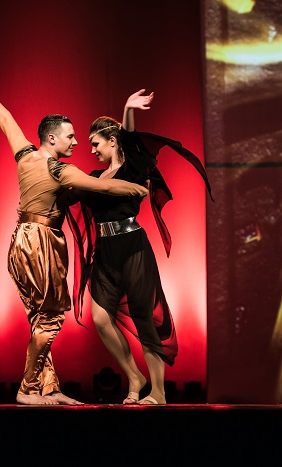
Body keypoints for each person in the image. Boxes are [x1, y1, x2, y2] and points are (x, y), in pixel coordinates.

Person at [0, 86, 149, 405]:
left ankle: (48, 387)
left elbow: (6, 120)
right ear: (52, 138)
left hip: (20, 240)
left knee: (39, 318)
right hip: (41, 243)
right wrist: (137, 190)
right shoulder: (61, 171)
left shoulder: (24, 154)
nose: (76, 142)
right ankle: (27, 390)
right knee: (50, 319)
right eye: (71, 137)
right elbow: (104, 186)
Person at [65, 89, 213, 405]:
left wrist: (127, 110)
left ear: (112, 141)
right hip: (105, 252)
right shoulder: (95, 176)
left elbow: (131, 141)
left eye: (96, 143)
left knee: (144, 317)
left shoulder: (132, 168)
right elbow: (68, 196)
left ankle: (158, 392)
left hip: (132, 246)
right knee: (100, 318)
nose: (91, 149)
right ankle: (135, 377)